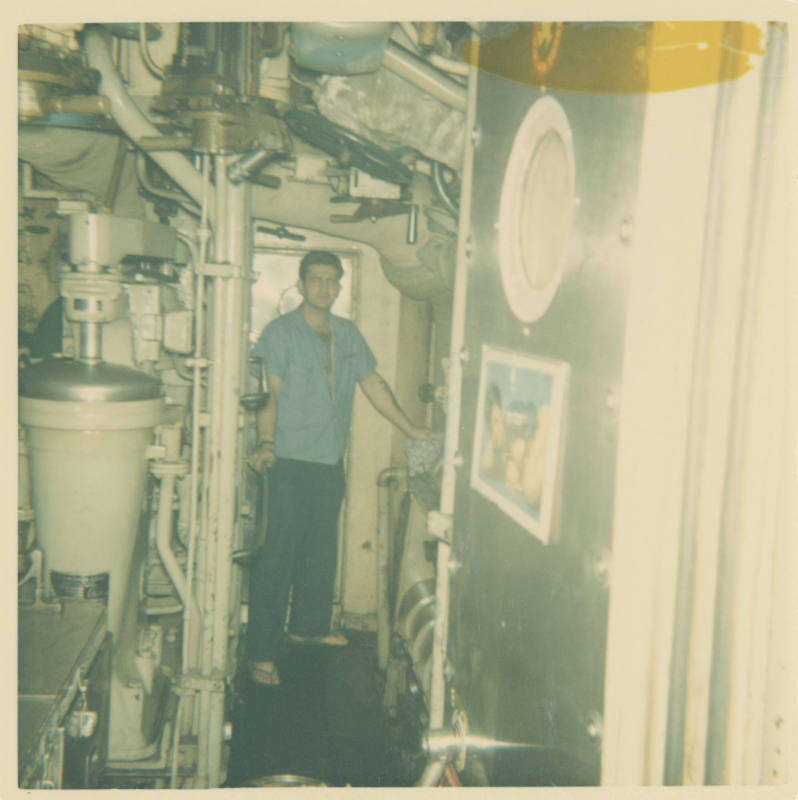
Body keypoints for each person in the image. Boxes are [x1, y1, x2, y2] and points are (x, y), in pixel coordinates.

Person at [246, 250, 431, 686]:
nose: (324, 288)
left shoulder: (348, 334)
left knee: (320, 552)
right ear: (301, 283)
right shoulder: (280, 333)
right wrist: (267, 443)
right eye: (316, 280)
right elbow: (268, 394)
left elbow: (373, 384)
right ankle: (261, 654)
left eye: (332, 281)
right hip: (287, 460)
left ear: (340, 286)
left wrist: (409, 429)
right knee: (276, 559)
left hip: (329, 461)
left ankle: (308, 627)